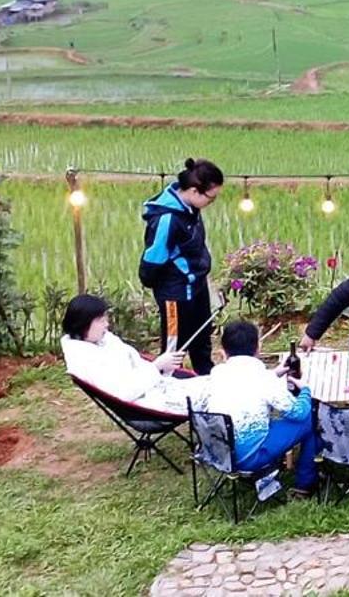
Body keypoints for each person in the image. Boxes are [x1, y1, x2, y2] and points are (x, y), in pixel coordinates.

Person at [198, 321, 320, 500]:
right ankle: (305, 483)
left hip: (217, 452)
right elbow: (298, 412)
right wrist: (306, 391)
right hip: (249, 457)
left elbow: (244, 384)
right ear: (258, 347)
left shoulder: (216, 374)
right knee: (310, 418)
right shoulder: (264, 379)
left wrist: (276, 373)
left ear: (223, 351)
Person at [59, 293, 207, 414]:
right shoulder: (86, 359)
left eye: (105, 319)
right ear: (82, 324)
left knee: (219, 382)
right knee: (217, 392)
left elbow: (134, 362)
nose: (106, 324)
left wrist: (162, 368)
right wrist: (156, 367)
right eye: (100, 320)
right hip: (150, 403)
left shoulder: (102, 340)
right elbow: (123, 392)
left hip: (159, 386)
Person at [141, 158, 223, 374]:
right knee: (174, 347)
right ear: (195, 191)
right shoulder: (167, 218)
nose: (211, 203)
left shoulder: (190, 209)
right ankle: (166, 386)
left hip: (196, 285)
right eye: (211, 198)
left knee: (202, 339)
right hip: (174, 293)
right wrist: (165, 284)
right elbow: (153, 258)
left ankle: (206, 380)